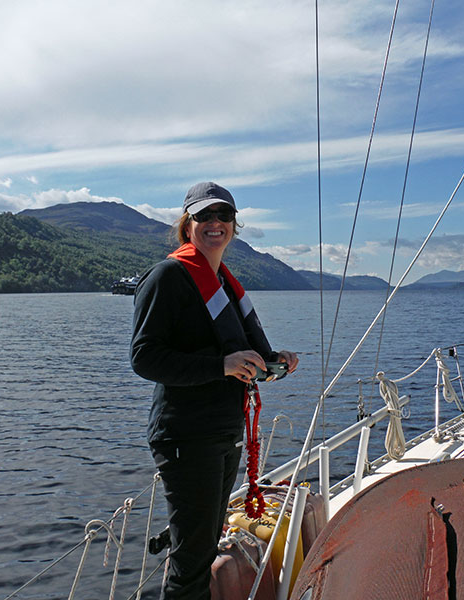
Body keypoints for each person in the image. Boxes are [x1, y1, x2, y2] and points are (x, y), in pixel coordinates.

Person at [130, 181, 299, 599]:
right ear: (188, 224)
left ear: (234, 225)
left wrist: (274, 361)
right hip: (187, 436)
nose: (215, 223)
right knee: (191, 565)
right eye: (204, 216)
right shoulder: (168, 277)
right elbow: (145, 357)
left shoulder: (223, 282)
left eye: (223, 216)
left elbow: (238, 356)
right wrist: (221, 366)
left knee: (203, 551)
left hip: (223, 433)